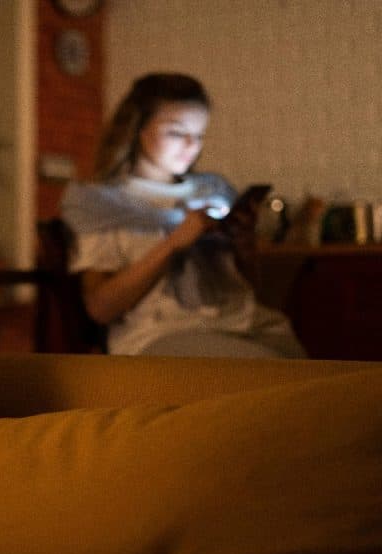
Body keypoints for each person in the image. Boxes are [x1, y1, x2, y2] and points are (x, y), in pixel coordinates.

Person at [59, 73, 305, 358]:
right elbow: (100, 308)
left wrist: (243, 244)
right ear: (138, 129)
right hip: (163, 335)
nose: (191, 146)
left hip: (243, 323)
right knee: (267, 368)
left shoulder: (214, 190)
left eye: (199, 135)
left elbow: (250, 287)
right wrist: (175, 242)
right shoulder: (104, 203)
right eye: (176, 133)